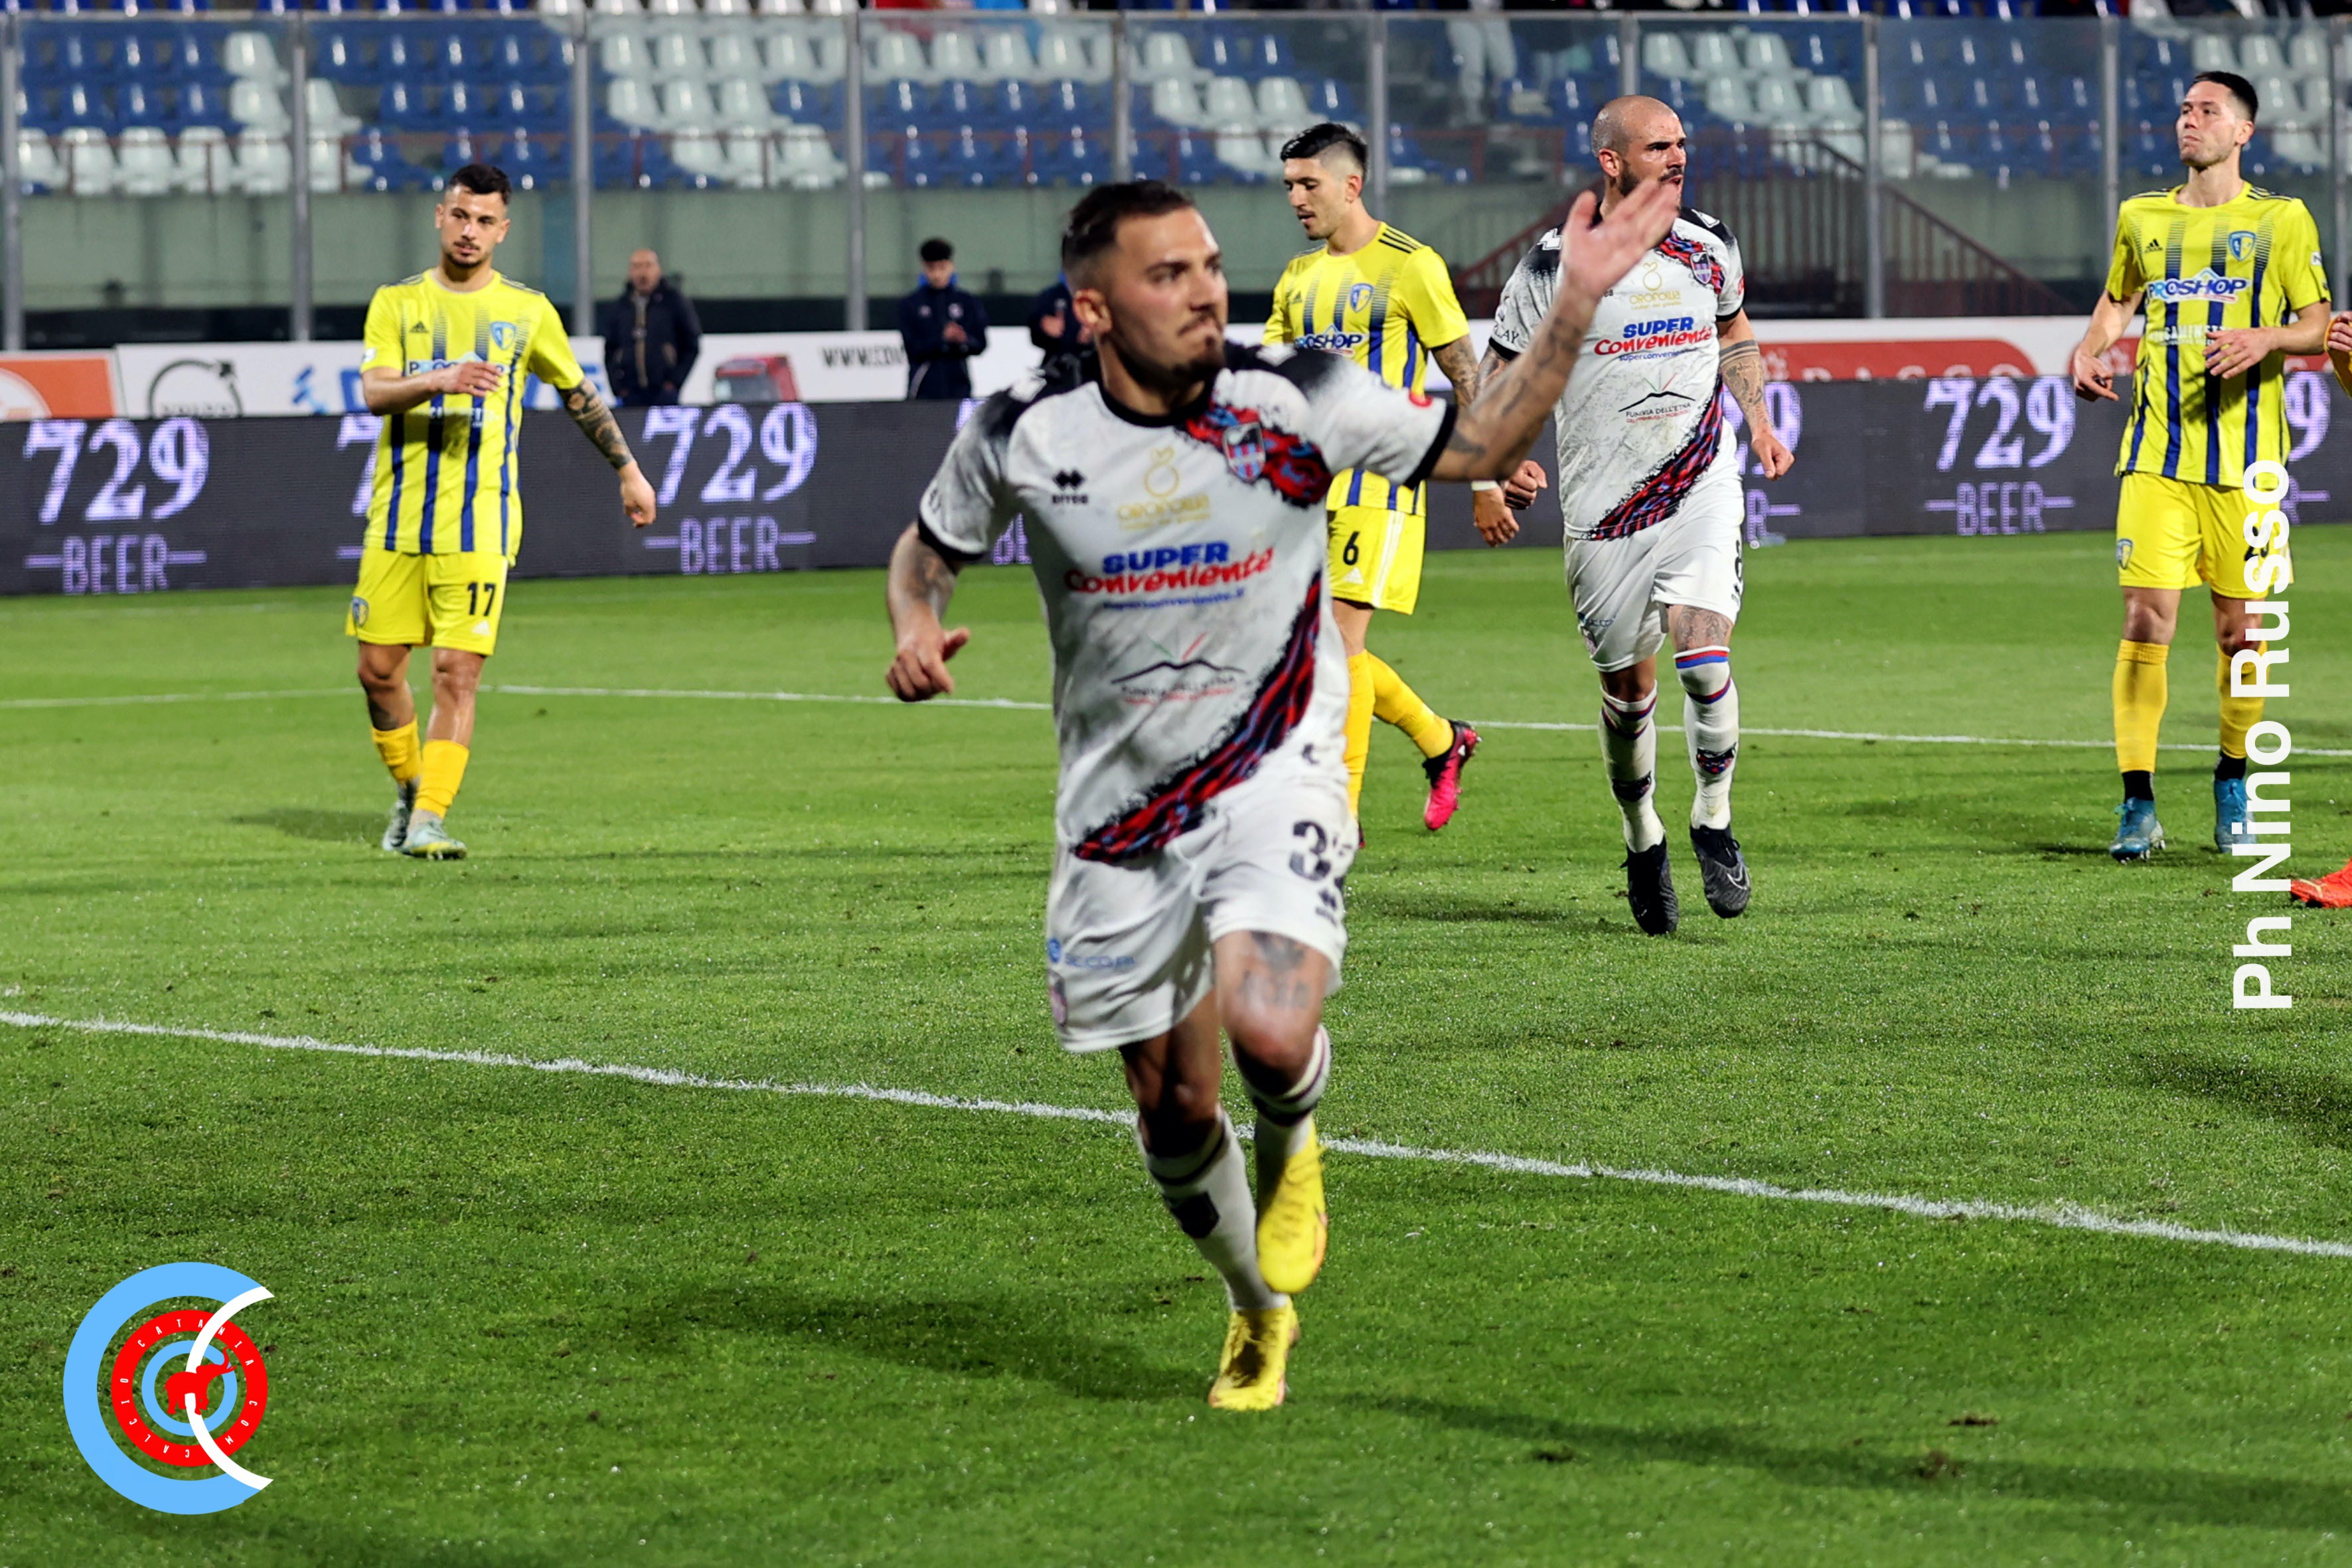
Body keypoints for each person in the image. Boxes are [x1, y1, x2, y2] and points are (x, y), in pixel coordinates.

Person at [883, 175, 1679, 1409]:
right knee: (1170, 1106)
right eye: (1168, 275)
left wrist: (1572, 298)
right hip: (1118, 808)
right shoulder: (1021, 428)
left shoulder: (1294, 395)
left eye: (1208, 265)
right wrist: (912, 623)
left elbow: (1483, 443)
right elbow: (927, 548)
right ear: (1092, 309)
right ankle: (1255, 1303)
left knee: (1265, 1025)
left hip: (1276, 760)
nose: (1204, 291)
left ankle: (1294, 1132)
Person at [1484, 96, 1793, 934]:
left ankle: (1714, 820)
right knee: (1628, 692)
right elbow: (1500, 369)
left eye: (1682, 142)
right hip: (1603, 510)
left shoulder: (1709, 241)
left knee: (1704, 655)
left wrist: (1759, 420)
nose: (1678, 156)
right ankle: (1642, 836)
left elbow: (1734, 330)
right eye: (1659, 145)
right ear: (1612, 161)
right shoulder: (1552, 266)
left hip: (1700, 482)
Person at [351, 163, 658, 860]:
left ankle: (428, 819)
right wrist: (443, 377)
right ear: (440, 216)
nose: (470, 231)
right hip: (397, 520)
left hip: (481, 523)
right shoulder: (396, 302)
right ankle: (410, 788)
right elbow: (374, 392)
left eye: (485, 221)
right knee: (377, 672)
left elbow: (578, 393)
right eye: (460, 216)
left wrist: (629, 471)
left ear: (503, 230)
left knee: (455, 673)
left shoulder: (527, 311)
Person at [2070, 70, 2327, 862]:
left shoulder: (2281, 220)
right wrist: (2090, 348)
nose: (2190, 120)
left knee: (2242, 634)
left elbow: (2318, 323)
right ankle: (2137, 803)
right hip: (2156, 457)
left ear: (2243, 131)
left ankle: (2234, 778)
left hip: (2249, 466)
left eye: (2207, 111)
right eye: (2184, 109)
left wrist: (2266, 338)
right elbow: (2120, 299)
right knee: (2146, 620)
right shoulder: (2142, 216)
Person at [1265, 122, 1488, 834]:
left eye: (1309, 184)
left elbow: (1465, 372)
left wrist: (1486, 477)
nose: (1296, 199)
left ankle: (1338, 818)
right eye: (1289, 186)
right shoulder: (1297, 278)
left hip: (1380, 485)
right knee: (1318, 649)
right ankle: (1442, 739)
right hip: (1308, 488)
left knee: (1337, 643)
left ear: (1351, 185)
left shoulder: (1410, 265)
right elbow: (1271, 383)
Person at [601, 248, 702, 408]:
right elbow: (611, 350)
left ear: (658, 270)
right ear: (630, 272)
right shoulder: (620, 307)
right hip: (630, 394)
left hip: (664, 392)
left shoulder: (674, 303)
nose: (643, 273)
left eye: (648, 266)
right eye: (637, 266)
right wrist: (618, 387)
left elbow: (691, 344)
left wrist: (675, 382)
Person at [899, 238, 988, 400]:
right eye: (931, 268)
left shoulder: (967, 302)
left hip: (959, 387)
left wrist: (963, 340)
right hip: (923, 388)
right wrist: (942, 339)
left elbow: (980, 343)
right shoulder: (911, 304)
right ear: (924, 267)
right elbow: (912, 348)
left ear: (951, 266)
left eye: (942, 268)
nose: (937, 275)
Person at [1027, 273, 1089, 366]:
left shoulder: (1099, 295)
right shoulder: (1051, 296)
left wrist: (1095, 335)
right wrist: (1043, 326)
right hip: (1057, 364)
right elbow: (1035, 327)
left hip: (1094, 365)